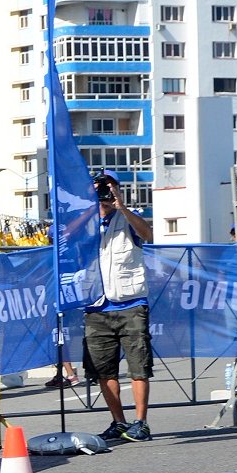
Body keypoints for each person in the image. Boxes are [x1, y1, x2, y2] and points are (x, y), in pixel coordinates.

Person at [82, 175, 155, 442]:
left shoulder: (129, 218)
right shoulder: (85, 222)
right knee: (103, 369)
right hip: (96, 305)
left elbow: (147, 234)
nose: (104, 194)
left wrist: (121, 206)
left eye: (109, 189)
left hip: (131, 302)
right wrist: (85, 209)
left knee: (139, 366)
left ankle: (141, 422)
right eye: (100, 190)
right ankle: (119, 422)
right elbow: (58, 238)